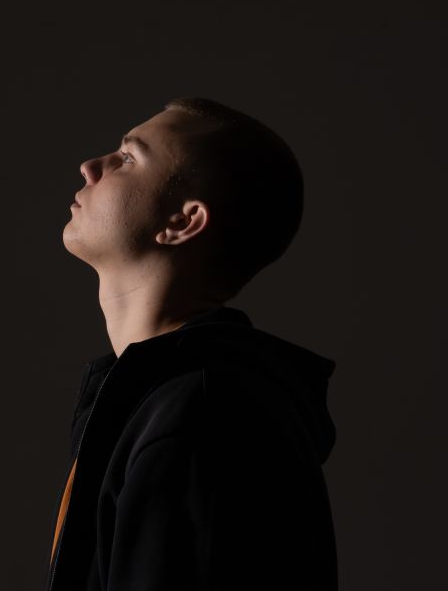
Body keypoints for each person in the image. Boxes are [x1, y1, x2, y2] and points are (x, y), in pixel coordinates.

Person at [44, 97, 338, 591]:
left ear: (182, 221)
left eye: (128, 157)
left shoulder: (200, 417)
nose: (91, 167)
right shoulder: (163, 402)